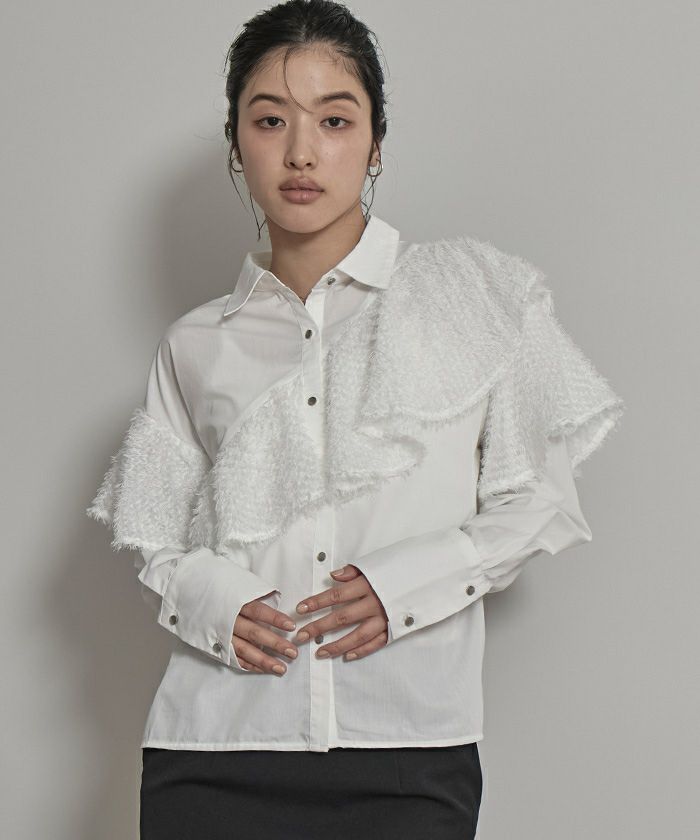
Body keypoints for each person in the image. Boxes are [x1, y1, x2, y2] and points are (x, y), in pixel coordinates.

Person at [85, 1, 625, 837]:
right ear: (236, 144)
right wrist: (214, 602)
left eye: (334, 120)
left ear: (376, 145)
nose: (301, 152)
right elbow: (155, 536)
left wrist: (402, 586)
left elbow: (542, 503)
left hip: (410, 751)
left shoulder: (474, 302)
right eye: (270, 120)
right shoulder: (195, 343)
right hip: (212, 748)